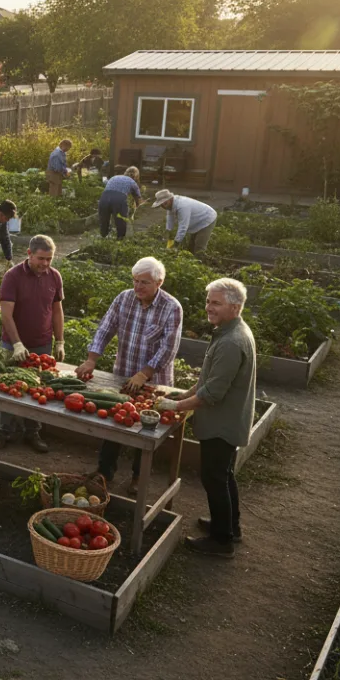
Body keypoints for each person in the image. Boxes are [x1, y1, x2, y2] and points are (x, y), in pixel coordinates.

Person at [156, 279, 256, 558]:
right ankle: (230, 527)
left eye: (216, 303)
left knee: (214, 477)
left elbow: (211, 393)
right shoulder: (230, 332)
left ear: (234, 307)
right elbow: (206, 381)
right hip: (228, 419)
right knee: (224, 475)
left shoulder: (231, 342)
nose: (208, 307)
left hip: (221, 423)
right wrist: (182, 395)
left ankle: (221, 541)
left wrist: (174, 405)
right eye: (208, 301)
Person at [76, 257, 183, 495]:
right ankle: (105, 471)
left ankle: (138, 475)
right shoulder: (124, 298)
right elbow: (105, 328)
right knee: (115, 421)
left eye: (144, 282)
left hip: (154, 381)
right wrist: (92, 358)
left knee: (145, 428)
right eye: (135, 281)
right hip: (123, 374)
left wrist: (144, 374)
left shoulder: (171, 307)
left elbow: (168, 348)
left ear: (159, 282)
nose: (138, 287)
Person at [0, 234, 63, 453]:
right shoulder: (13, 276)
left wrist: (59, 340)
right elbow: (6, 315)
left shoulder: (54, 276)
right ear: (29, 254)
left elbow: (57, 310)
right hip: (13, 344)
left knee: (37, 389)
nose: (45, 264)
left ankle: (33, 431)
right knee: (9, 387)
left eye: (49, 259)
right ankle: (4, 430)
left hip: (42, 344)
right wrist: (17, 343)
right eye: (41, 258)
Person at [154, 189, 218, 255]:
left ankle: (200, 263)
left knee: (199, 247)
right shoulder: (170, 205)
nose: (163, 206)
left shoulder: (182, 206)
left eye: (164, 203)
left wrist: (176, 243)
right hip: (197, 220)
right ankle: (192, 261)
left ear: (170, 199)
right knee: (191, 247)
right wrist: (168, 232)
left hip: (207, 218)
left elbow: (183, 227)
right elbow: (170, 219)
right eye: (161, 205)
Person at [99, 167, 143, 240]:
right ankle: (120, 240)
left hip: (104, 197)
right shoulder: (132, 182)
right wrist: (137, 206)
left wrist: (104, 176)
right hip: (119, 199)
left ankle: (103, 238)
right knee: (120, 221)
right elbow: (137, 197)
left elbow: (105, 182)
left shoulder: (114, 177)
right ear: (136, 176)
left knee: (104, 220)